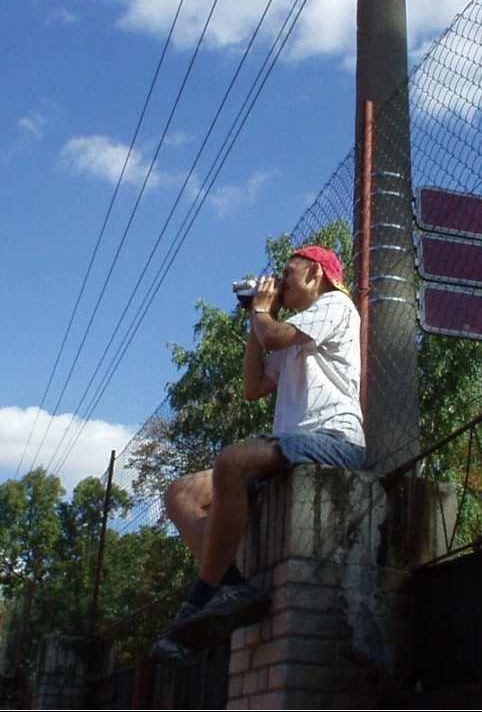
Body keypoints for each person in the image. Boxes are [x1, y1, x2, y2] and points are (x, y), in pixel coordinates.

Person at [150, 245, 365, 668]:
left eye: (289, 273)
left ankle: (199, 601)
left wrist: (264, 313)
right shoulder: (295, 329)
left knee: (231, 460)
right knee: (180, 494)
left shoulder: (336, 305)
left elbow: (274, 335)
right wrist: (255, 315)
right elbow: (253, 387)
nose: (281, 281)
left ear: (316, 274)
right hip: (293, 442)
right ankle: (231, 585)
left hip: (334, 437)